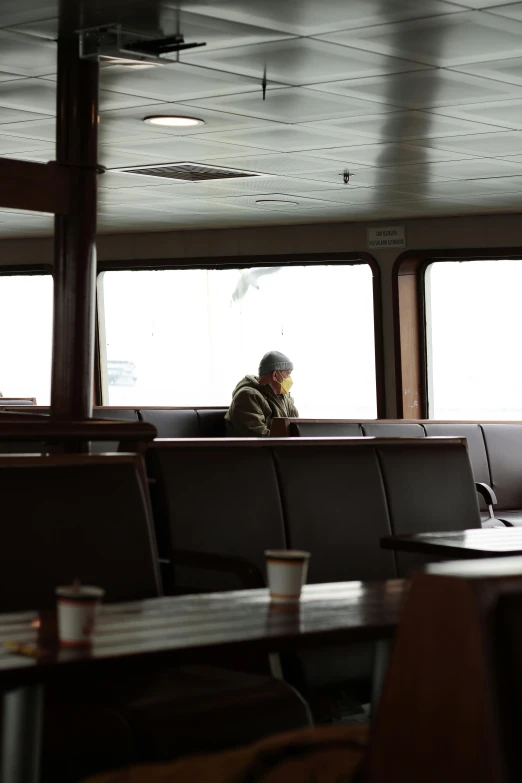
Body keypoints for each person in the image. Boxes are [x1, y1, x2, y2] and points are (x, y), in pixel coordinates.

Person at [225, 351, 299, 437]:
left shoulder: (283, 396)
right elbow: (258, 435)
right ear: (275, 375)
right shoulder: (248, 396)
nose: (289, 379)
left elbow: (296, 424)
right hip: (253, 450)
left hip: (279, 448)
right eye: (288, 374)